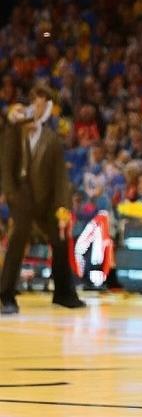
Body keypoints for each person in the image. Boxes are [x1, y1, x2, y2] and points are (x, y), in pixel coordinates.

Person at [0, 86, 86, 314]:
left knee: (60, 240)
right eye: (34, 102)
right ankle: (6, 296)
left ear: (47, 108)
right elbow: (6, 166)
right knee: (18, 238)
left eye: (42, 103)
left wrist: (63, 209)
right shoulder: (14, 130)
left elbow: (60, 179)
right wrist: (10, 193)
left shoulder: (52, 139)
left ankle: (64, 294)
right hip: (20, 197)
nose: (37, 107)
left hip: (46, 201)